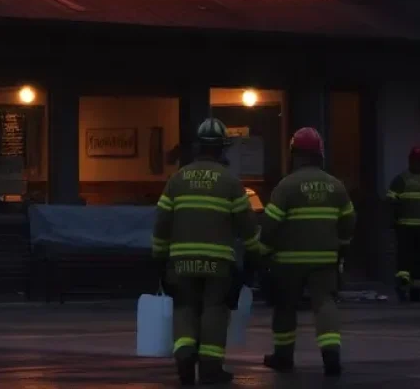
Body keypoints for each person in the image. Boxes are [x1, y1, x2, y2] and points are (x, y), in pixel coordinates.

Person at [152, 117, 266, 386]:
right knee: (215, 309)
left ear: (197, 147)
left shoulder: (177, 180)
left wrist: (159, 260)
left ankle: (184, 356)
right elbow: (247, 227)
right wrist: (254, 257)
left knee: (184, 308)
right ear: (222, 149)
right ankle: (211, 368)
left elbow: (161, 223)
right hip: (218, 263)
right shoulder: (230, 182)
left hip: (180, 262)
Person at [261, 127, 355, 378]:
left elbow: (270, 225)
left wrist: (262, 251)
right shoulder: (336, 186)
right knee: (325, 303)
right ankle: (331, 356)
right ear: (319, 155)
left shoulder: (286, 186)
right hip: (325, 259)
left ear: (294, 154)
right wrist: (341, 247)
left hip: (288, 262)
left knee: (285, 306)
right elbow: (349, 221)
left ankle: (283, 356)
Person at [387, 146, 420, 302]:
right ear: (411, 161)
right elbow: (391, 203)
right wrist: (393, 221)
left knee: (418, 260)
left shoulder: (402, 180)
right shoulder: (406, 181)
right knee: (408, 259)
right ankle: (404, 287)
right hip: (406, 227)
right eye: (418, 161)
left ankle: (415, 292)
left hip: (418, 228)